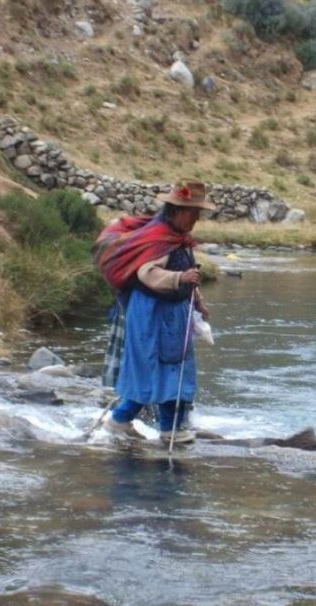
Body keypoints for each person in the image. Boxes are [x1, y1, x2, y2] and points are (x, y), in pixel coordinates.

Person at [101, 180, 214, 444]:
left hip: (172, 311)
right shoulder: (159, 237)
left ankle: (121, 421)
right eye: (193, 212)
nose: (197, 218)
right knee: (162, 368)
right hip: (152, 314)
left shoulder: (177, 239)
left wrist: (198, 300)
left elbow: (189, 276)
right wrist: (180, 279)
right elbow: (147, 272)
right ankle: (168, 429)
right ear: (176, 210)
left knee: (168, 368)